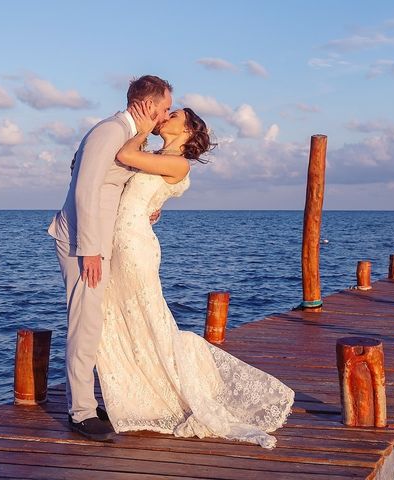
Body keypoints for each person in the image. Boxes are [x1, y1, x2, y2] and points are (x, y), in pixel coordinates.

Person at [96, 102, 295, 449]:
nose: (165, 117)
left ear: (187, 131)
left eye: (173, 116)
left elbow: (125, 155)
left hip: (133, 248)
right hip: (120, 240)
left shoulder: (176, 162)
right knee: (120, 318)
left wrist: (141, 123)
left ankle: (163, 392)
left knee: (145, 317)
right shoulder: (159, 156)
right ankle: (137, 392)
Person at [48, 75, 172, 441]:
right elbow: (85, 187)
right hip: (83, 245)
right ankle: (81, 412)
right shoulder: (110, 130)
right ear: (148, 104)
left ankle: (85, 400)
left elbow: (87, 173)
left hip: (98, 241)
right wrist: (90, 248)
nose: (166, 115)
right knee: (85, 323)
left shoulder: (126, 134)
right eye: (165, 107)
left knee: (95, 322)